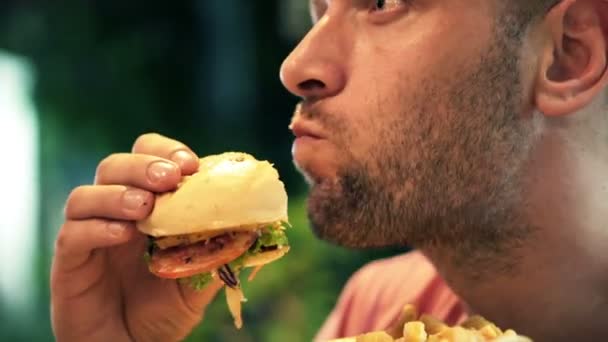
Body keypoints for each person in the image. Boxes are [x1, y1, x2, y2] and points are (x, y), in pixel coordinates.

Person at [50, 0, 608, 341]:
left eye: (385, 1)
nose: (295, 67)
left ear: (567, 54)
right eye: (318, 8)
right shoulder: (380, 310)